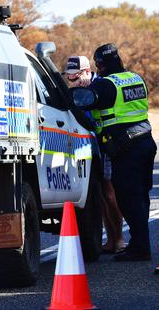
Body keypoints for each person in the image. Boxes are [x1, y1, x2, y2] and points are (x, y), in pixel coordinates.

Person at [86, 43, 157, 261]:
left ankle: (140, 248)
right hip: (146, 142)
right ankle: (140, 243)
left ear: (99, 64)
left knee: (128, 198)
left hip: (125, 148)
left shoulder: (105, 85)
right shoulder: (136, 78)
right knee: (141, 196)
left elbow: (81, 102)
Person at [64, 55, 126, 254]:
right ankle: (111, 239)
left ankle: (119, 239)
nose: (72, 82)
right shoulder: (79, 92)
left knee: (109, 193)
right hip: (90, 149)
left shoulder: (99, 87)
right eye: (69, 78)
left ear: (88, 72)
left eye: (76, 78)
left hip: (106, 145)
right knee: (100, 195)